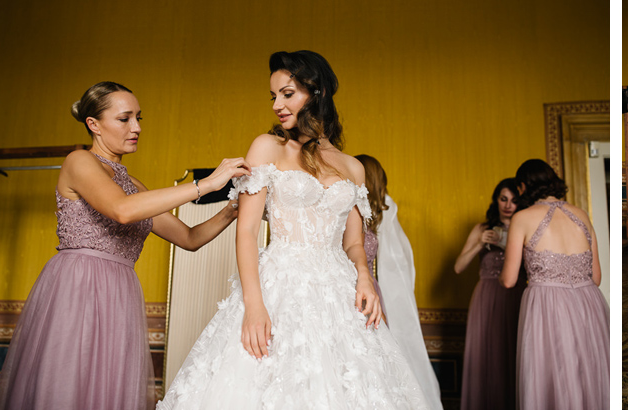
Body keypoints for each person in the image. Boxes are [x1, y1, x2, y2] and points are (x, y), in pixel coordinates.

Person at [157, 51, 428, 409]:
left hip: (338, 291)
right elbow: (247, 232)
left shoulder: (352, 167)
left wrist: (363, 276)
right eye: (273, 96)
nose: (276, 105)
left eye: (287, 93)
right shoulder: (267, 147)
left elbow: (353, 243)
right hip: (280, 285)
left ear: (316, 93)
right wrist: (254, 305)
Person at [0, 81, 251, 410]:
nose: (137, 127)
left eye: (139, 118)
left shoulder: (133, 185)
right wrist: (206, 184)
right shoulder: (79, 161)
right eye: (125, 119)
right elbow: (123, 210)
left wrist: (233, 209)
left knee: (106, 388)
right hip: (78, 286)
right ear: (94, 124)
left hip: (120, 291)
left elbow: (189, 239)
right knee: (69, 383)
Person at [500, 160, 608, 409]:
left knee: (552, 373)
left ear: (523, 187)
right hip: (587, 302)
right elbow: (597, 278)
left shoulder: (522, 218)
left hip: (547, 305)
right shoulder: (581, 214)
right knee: (586, 373)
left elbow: (508, 280)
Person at [355, 154, 443, 410]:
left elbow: (397, 265)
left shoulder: (379, 217)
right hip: (338, 286)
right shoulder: (341, 209)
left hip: (368, 292)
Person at [454, 178, 525, 410]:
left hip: (517, 295)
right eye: (503, 199)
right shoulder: (482, 229)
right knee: (488, 352)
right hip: (486, 296)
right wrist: (479, 244)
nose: (508, 205)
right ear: (496, 200)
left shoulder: (525, 227)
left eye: (514, 200)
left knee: (515, 351)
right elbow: (458, 267)